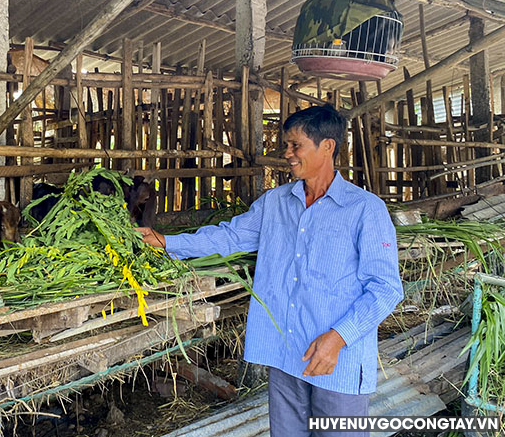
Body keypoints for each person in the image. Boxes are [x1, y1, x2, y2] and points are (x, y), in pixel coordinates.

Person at [137, 105, 402, 437]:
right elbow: (231, 236)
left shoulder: (365, 210)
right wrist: (167, 242)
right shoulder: (275, 202)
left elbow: (386, 288)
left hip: (338, 361)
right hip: (287, 353)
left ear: (327, 146)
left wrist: (337, 339)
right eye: (286, 145)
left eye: (295, 145)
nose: (287, 154)